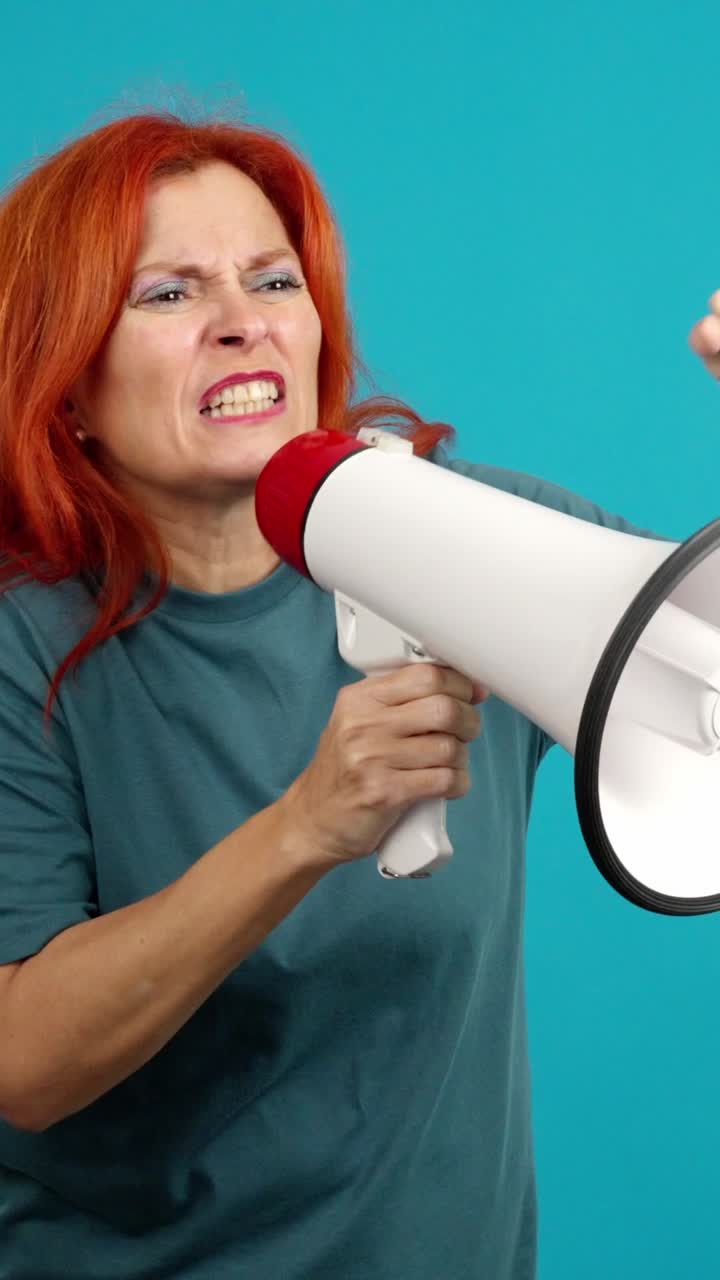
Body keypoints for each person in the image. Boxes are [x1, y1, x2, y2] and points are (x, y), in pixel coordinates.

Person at [0, 112, 716, 1280]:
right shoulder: (22, 648)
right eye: (168, 295)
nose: (242, 321)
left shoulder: (471, 537)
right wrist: (305, 827)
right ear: (68, 379)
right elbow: (23, 1062)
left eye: (272, 278)